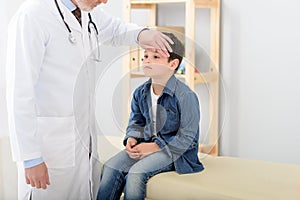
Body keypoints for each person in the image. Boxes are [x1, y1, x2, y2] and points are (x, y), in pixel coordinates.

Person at [5, 0, 174, 199]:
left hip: (83, 143)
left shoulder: (86, 12)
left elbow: (114, 29)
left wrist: (141, 34)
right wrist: (30, 158)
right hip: (50, 149)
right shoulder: (32, 16)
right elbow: (20, 93)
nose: (105, 1)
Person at [97, 32, 204, 200]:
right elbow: (136, 121)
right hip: (146, 145)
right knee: (111, 167)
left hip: (176, 153)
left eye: (155, 57)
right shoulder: (140, 92)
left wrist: (154, 148)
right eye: (146, 55)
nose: (147, 60)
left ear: (173, 63)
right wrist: (132, 138)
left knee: (136, 173)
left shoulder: (185, 96)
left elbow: (188, 139)